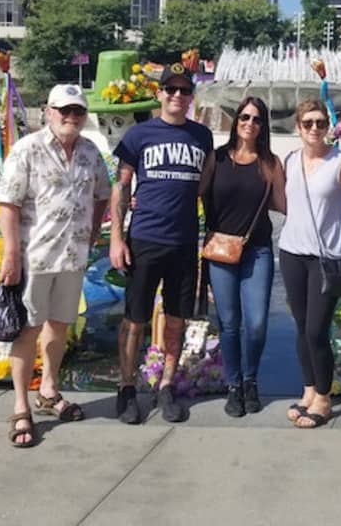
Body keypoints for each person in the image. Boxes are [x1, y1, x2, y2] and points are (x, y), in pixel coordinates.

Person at [0, 84, 111, 447]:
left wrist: (92, 233)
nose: (70, 117)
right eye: (64, 110)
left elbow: (103, 195)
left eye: (77, 111)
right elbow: (7, 203)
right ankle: (20, 405)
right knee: (27, 330)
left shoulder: (90, 152)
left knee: (59, 327)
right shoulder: (28, 149)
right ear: (48, 112)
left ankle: (49, 389)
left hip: (72, 258)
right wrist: (11, 253)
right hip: (35, 257)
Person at [110, 63, 213, 425]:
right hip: (145, 238)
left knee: (175, 318)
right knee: (134, 318)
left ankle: (166, 384)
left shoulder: (202, 136)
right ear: (160, 93)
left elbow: (203, 184)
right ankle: (126, 386)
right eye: (171, 89)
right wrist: (117, 238)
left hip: (183, 242)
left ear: (190, 97)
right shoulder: (139, 136)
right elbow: (121, 186)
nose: (177, 96)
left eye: (184, 90)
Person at [199, 97, 286, 417]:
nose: (250, 123)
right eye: (245, 117)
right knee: (230, 323)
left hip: (257, 250)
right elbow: (192, 194)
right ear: (236, 121)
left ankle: (251, 379)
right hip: (220, 250)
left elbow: (287, 205)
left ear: (263, 126)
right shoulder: (216, 159)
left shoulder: (270, 163)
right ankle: (234, 386)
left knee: (258, 322)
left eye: (257, 119)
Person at [279, 98, 341, 428]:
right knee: (301, 327)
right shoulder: (290, 160)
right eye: (308, 123)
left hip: (327, 258)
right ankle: (309, 390)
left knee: (316, 330)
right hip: (291, 253)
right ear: (298, 128)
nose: (315, 128)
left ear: (329, 127)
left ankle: (324, 397)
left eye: (320, 123)